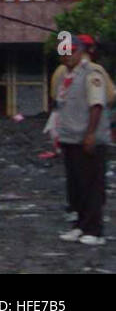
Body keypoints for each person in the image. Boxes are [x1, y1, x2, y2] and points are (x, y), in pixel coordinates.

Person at [56, 34, 110, 245]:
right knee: (75, 186)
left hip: (87, 137)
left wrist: (90, 134)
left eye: (71, 51)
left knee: (91, 185)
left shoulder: (91, 73)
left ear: (81, 51)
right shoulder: (65, 75)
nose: (67, 56)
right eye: (63, 52)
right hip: (70, 136)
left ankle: (94, 230)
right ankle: (79, 225)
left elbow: (96, 105)